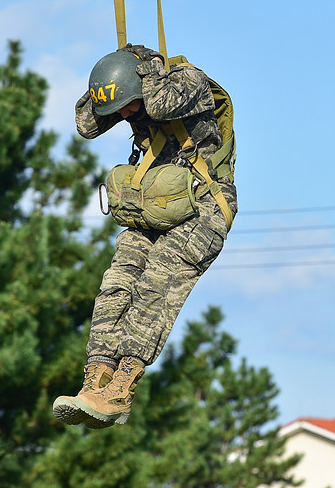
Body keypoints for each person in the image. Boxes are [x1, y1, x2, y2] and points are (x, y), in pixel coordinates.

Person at [52, 44, 238, 428]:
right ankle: (97, 379)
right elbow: (88, 124)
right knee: (116, 284)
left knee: (156, 285)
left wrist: (146, 71)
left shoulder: (187, 82)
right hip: (156, 205)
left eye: (126, 105)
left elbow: (158, 105)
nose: (124, 115)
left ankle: (121, 388)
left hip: (203, 207)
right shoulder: (132, 94)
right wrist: (105, 82)